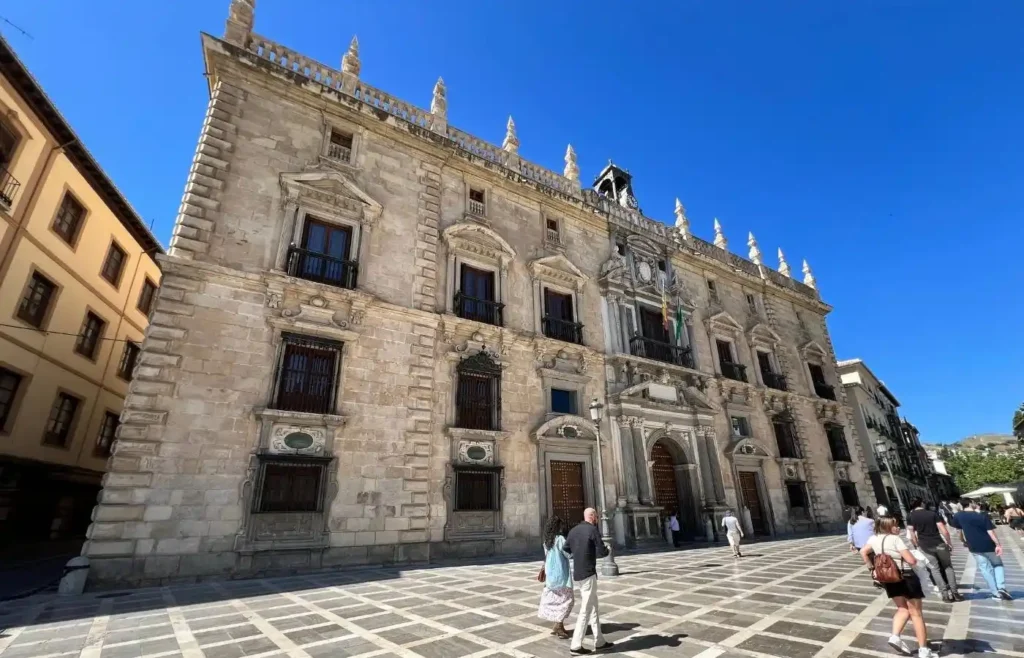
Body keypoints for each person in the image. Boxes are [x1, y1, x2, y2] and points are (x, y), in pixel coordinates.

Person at [861, 514, 939, 658]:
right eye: (895, 525)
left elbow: (863, 552)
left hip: (888, 578)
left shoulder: (873, 539)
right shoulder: (896, 540)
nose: (898, 527)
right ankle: (924, 650)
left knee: (902, 608)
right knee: (916, 613)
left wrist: (871, 569)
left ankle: (895, 636)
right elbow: (911, 561)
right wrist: (913, 556)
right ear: (888, 527)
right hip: (906, 577)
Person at [564, 508, 614, 655]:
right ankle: (576, 645)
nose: (597, 519)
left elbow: (565, 548)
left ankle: (600, 641)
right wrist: (608, 549)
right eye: (596, 517)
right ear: (592, 517)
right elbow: (602, 551)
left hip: (578, 574)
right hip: (588, 574)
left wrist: (578, 554)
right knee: (585, 610)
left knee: (593, 608)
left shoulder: (573, 531)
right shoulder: (592, 530)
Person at [950, 498, 1012, 601]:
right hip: (988, 544)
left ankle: (995, 593)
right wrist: (998, 544)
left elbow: (959, 531)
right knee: (998, 564)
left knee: (984, 568)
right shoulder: (982, 515)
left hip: (973, 546)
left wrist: (963, 541)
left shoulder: (958, 516)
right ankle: (1001, 587)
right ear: (970, 503)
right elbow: (990, 532)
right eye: (974, 502)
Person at [906, 498, 963, 602]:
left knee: (934, 569)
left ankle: (945, 594)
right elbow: (944, 530)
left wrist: (916, 544)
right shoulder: (932, 513)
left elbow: (912, 533)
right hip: (939, 543)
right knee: (948, 567)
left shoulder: (910, 516)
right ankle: (955, 593)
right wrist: (949, 542)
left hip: (925, 545)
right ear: (922, 503)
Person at [538, 515, 574, 639]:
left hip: (550, 576)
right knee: (567, 601)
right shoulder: (560, 540)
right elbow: (568, 554)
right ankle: (558, 625)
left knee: (556, 601)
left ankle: (559, 624)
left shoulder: (546, 541)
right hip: (561, 575)